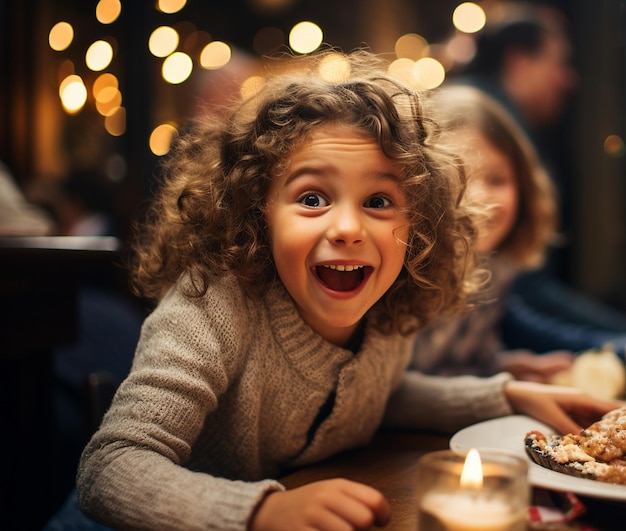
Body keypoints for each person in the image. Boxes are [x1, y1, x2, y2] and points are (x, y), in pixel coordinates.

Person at [72, 50, 617, 531]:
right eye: (312, 199)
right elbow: (112, 467)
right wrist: (259, 512)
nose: (348, 227)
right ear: (256, 212)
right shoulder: (211, 306)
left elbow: (373, 398)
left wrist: (507, 394)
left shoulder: (390, 308)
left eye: (379, 202)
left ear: (418, 225)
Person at [410, 85, 626, 382]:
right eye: (458, 178)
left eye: (497, 179)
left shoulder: (495, 268)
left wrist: (503, 366)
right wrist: (501, 388)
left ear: (523, 186)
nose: (480, 197)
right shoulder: (404, 279)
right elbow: (394, 389)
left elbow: (457, 361)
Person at [453, 0, 626, 353]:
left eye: (499, 180)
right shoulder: (486, 123)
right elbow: (526, 295)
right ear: (520, 60)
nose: (569, 78)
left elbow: (503, 311)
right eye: (559, 63)